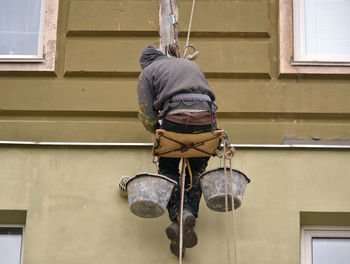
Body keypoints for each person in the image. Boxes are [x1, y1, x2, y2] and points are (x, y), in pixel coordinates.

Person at [137, 45, 217, 257]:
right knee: (196, 171)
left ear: (145, 63)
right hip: (205, 118)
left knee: (169, 170)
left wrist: (158, 131)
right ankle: (187, 215)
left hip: (175, 118)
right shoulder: (188, 64)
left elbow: (146, 115)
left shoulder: (147, 72)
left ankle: (177, 215)